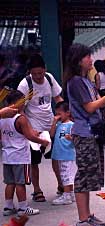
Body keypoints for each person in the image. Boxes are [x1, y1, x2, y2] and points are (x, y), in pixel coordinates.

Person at [64, 43, 105, 226]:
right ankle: (82, 220)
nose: (91, 59)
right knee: (84, 175)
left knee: (89, 175)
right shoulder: (76, 82)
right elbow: (90, 107)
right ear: (78, 60)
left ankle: (87, 216)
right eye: (87, 56)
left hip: (91, 133)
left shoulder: (84, 80)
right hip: (84, 133)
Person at [17, 54, 64, 203]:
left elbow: (58, 99)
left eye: (40, 73)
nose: (38, 76)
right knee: (34, 161)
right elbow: (20, 110)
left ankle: (61, 185)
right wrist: (28, 130)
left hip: (50, 126)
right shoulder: (25, 85)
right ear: (29, 72)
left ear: (45, 70)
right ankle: (37, 190)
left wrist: (64, 114)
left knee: (56, 158)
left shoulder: (49, 79)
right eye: (34, 73)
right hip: (34, 129)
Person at [1, 90, 50, 217]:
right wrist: (42, 141)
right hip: (20, 157)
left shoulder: (2, 118)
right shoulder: (21, 118)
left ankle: (8, 206)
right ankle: (23, 208)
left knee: (10, 182)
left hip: (7, 156)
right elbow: (29, 136)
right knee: (20, 183)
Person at [50, 101, 77, 205]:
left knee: (66, 175)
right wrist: (54, 122)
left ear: (67, 113)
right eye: (56, 114)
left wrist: (71, 138)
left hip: (68, 154)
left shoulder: (72, 125)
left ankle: (66, 196)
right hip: (60, 154)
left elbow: (76, 138)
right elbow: (51, 134)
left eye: (59, 114)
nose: (58, 116)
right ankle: (70, 193)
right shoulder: (59, 124)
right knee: (66, 174)